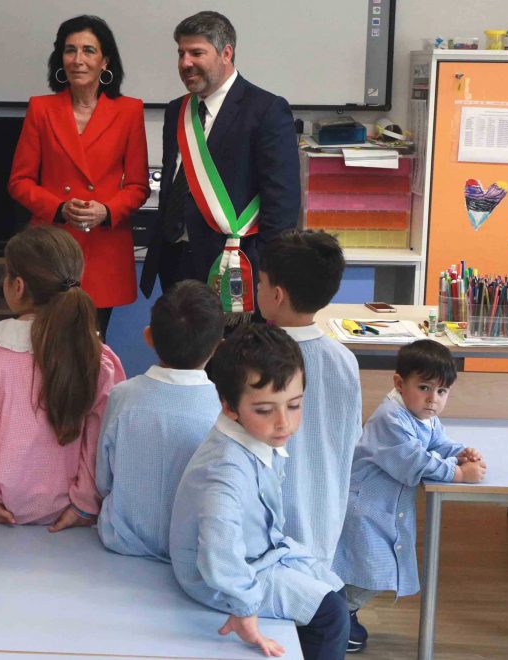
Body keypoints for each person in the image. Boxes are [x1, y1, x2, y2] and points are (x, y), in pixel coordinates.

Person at [169, 324, 349, 660]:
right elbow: (219, 548)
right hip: (223, 576)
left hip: (257, 556)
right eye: (265, 410)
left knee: (336, 593)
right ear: (229, 407)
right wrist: (244, 607)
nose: (284, 423)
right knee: (331, 617)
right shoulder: (225, 469)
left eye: (294, 405)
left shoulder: (257, 436)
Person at [0, 225, 125, 532]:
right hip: (72, 521)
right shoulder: (100, 360)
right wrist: (84, 504)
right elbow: (102, 442)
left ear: (17, 286)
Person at [141, 11, 300, 315]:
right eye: (181, 53)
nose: (185, 63)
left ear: (226, 53)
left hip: (233, 265)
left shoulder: (266, 110)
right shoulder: (176, 111)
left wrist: (269, 272)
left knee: (233, 347)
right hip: (174, 262)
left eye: (196, 53)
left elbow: (281, 204)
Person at [333, 339, 486, 654]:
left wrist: (461, 453)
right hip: (365, 509)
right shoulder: (391, 419)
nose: (433, 399)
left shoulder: (421, 414)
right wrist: (459, 474)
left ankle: (341, 614)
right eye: (425, 388)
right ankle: (339, 616)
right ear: (400, 384)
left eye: (442, 392)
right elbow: (415, 462)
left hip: (385, 509)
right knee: (370, 570)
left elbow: (437, 442)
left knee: (372, 569)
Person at [8, 15, 149, 338]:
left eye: (88, 50)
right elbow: (19, 181)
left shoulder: (128, 111)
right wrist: (59, 207)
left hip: (103, 249)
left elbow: (138, 186)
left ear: (105, 61)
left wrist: (107, 210)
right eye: (70, 50)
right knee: (46, 347)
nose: (78, 59)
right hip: (52, 249)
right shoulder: (41, 109)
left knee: (92, 348)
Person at [256, 230, 361, 569]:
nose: (257, 289)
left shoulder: (255, 357)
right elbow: (352, 437)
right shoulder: (345, 359)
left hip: (267, 522)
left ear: (276, 295)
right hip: (324, 518)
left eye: (260, 283)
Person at [96, 280, 223, 560]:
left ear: (148, 336)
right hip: (190, 550)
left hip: (121, 542)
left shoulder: (122, 396)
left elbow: (102, 482)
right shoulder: (222, 409)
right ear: (218, 347)